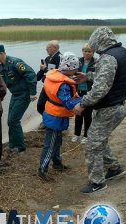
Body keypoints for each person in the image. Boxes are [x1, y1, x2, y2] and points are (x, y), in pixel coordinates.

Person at [74, 27, 126, 193]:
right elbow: (114, 75)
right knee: (100, 139)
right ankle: (114, 168)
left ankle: (97, 182)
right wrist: (88, 76)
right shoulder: (123, 53)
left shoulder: (108, 58)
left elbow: (100, 89)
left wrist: (82, 104)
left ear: (99, 41)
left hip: (109, 109)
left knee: (92, 144)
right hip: (119, 106)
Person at [38, 52, 82, 182]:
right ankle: (42, 169)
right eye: (75, 68)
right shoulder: (63, 85)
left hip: (52, 112)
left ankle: (57, 164)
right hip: (55, 116)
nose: (77, 70)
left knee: (57, 141)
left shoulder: (53, 75)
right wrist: (83, 98)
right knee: (50, 143)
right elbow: (68, 104)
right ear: (69, 68)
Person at [0, 44, 37, 153]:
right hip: (15, 94)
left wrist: (33, 92)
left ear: (2, 53)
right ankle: (12, 145)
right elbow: (1, 84)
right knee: (10, 120)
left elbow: (31, 74)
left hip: (24, 94)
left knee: (13, 120)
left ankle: (20, 146)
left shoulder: (15, 63)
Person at [71, 44, 95, 144]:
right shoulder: (78, 61)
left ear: (93, 52)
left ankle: (86, 135)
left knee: (87, 114)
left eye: (89, 51)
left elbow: (97, 78)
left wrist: (88, 78)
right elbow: (72, 73)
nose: (87, 53)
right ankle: (76, 134)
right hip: (78, 91)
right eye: (85, 51)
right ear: (82, 51)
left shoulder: (96, 62)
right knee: (78, 112)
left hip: (89, 92)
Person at [36, 40, 62, 129]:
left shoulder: (60, 58)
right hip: (47, 85)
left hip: (55, 87)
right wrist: (32, 80)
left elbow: (59, 73)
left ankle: (48, 122)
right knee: (40, 105)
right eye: (47, 47)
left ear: (55, 48)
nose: (46, 49)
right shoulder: (47, 59)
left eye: (48, 47)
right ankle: (46, 120)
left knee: (53, 105)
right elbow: (41, 72)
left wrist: (45, 68)